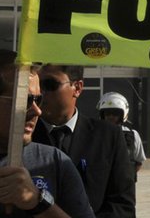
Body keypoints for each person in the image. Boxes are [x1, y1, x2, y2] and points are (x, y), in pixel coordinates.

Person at [32, 64, 134, 218]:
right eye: (39, 85)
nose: (42, 93)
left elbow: (122, 205)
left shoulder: (108, 136)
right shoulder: (22, 137)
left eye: (50, 85)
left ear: (77, 88)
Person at [0, 52, 94, 218]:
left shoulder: (56, 162)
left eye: (39, 100)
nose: (37, 110)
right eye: (25, 100)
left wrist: (37, 201)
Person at [95, 93, 145, 179]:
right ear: (102, 115)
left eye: (115, 113)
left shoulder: (132, 135)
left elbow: (138, 162)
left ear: (123, 115)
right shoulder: (95, 135)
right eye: (107, 113)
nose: (111, 116)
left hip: (124, 187)